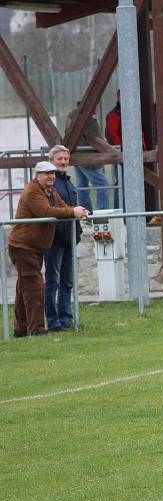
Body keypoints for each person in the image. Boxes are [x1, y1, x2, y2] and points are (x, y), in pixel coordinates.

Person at [8, 161, 89, 337]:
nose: (51, 176)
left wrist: (77, 211)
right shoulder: (33, 191)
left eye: (52, 173)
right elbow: (45, 211)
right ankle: (36, 329)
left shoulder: (51, 191)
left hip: (34, 248)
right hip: (22, 247)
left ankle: (20, 329)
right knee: (36, 287)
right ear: (37, 176)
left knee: (24, 288)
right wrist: (72, 212)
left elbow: (61, 207)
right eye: (46, 173)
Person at [44, 146, 82, 332]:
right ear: (52, 160)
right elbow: (51, 211)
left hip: (70, 238)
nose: (64, 162)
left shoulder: (68, 182)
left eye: (66, 158)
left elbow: (72, 208)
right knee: (53, 281)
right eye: (60, 159)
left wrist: (79, 230)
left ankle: (65, 319)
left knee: (67, 282)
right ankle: (53, 322)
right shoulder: (49, 184)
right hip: (54, 240)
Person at [66, 101, 109, 212]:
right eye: (96, 105)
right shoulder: (89, 119)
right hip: (89, 158)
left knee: (82, 187)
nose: (97, 108)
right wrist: (104, 144)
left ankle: (85, 213)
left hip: (76, 155)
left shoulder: (71, 116)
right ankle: (102, 213)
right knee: (103, 185)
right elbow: (95, 138)